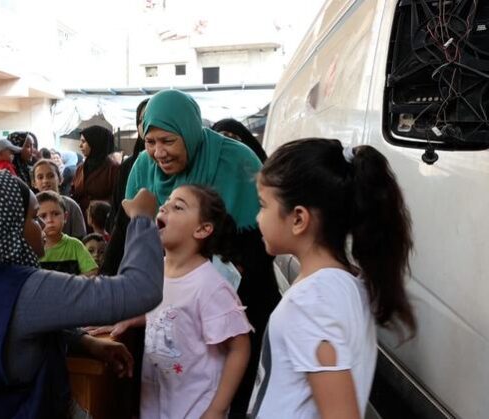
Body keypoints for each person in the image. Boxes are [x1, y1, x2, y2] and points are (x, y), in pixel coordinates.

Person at [0, 170, 164, 418]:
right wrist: (142, 218)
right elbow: (139, 290)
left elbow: (3, 332)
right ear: (4, 228)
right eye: (32, 217)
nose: (41, 226)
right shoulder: (25, 287)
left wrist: (83, 342)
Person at [125, 89, 281, 416]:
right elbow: (128, 239)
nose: (158, 153)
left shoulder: (237, 161)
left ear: (189, 132)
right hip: (170, 305)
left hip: (236, 302)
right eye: (150, 141)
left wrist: (206, 285)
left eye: (168, 141)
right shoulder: (142, 168)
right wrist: (117, 301)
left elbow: (259, 250)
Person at [248, 138, 417, 419]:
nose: (257, 218)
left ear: (298, 219)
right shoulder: (341, 283)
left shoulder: (313, 302)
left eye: (263, 205)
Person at [95, 185, 252, 418]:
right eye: (166, 202)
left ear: (202, 229)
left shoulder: (210, 286)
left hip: (195, 409)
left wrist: (217, 410)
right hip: (156, 404)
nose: (165, 206)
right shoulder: (157, 269)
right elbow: (171, 309)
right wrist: (132, 318)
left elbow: (240, 347)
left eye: (178, 206)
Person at [100, 98, 149, 276]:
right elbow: (120, 207)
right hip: (130, 243)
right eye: (143, 119)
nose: (149, 123)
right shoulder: (129, 166)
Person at [37, 191, 98, 276]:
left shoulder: (75, 245)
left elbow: (93, 271)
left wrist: (70, 285)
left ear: (65, 217)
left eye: (55, 214)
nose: (50, 220)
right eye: (43, 216)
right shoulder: (33, 248)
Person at [32, 159, 87, 239]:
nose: (45, 181)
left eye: (51, 176)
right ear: (33, 183)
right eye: (40, 177)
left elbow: (80, 237)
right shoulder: (31, 208)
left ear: (60, 179)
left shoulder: (71, 206)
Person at [71, 125, 120, 215]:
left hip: (103, 222)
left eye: (84, 141)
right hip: (82, 219)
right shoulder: (80, 168)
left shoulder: (114, 169)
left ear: (95, 142)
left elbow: (117, 199)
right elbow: (74, 192)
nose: (80, 145)